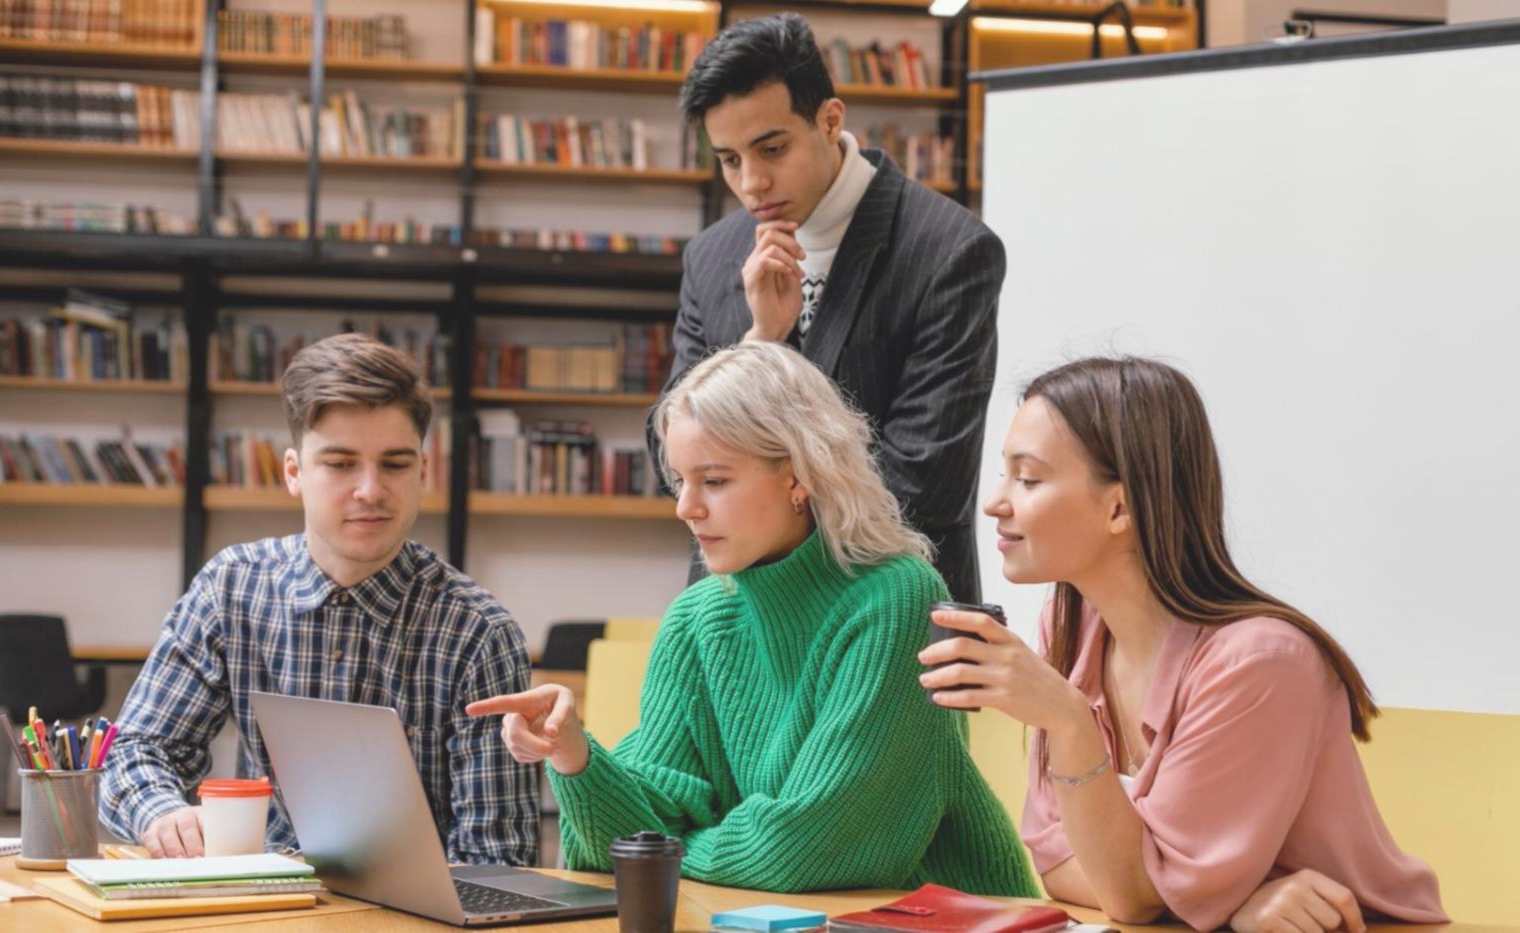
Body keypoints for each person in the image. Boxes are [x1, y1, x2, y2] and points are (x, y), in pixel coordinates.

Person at [470, 342, 1036, 895]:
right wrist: (575, 757)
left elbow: (813, 849)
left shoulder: (897, 599)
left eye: (714, 481)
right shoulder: (697, 618)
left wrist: (675, 850)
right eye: (679, 481)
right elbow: (618, 851)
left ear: (797, 476)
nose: (685, 507)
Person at [918, 357, 1446, 930]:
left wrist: (1071, 722)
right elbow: (1057, 862)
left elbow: (1131, 900)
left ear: (1119, 506)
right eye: (1005, 474)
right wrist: (1218, 901)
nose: (996, 503)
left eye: (1028, 478)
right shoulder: (1071, 628)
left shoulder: (1262, 664)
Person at [100, 333, 539, 864]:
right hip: (261, 903)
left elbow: (499, 863)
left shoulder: (479, 633)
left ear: (424, 472)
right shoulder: (231, 588)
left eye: (395, 465)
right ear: (294, 473)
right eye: (340, 464)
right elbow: (138, 749)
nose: (370, 490)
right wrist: (162, 815)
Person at [658, 13, 1004, 604]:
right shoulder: (711, 257)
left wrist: (756, 502)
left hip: (888, 617)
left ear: (830, 119)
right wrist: (761, 345)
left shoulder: (950, 251)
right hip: (734, 621)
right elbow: (665, 451)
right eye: (730, 159)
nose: (752, 183)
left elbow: (925, 483)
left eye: (772, 148)